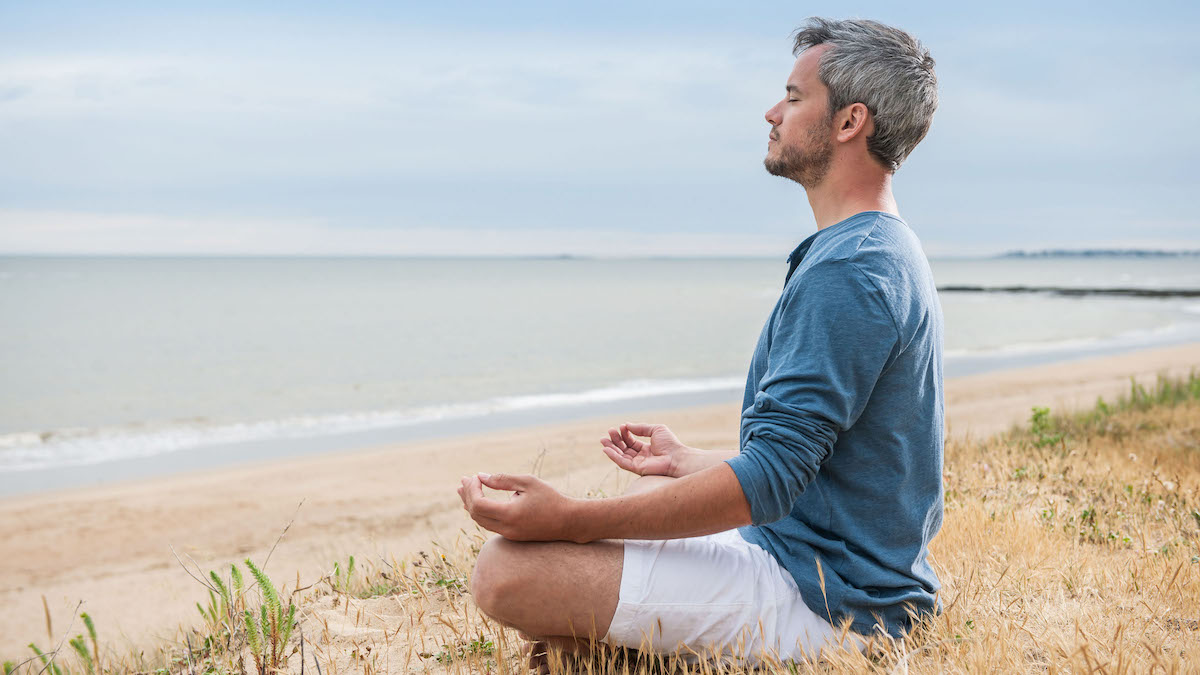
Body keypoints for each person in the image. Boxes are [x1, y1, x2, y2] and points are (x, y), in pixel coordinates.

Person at [457, 16, 943, 667]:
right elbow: (819, 460)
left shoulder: (851, 269)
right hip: (806, 556)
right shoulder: (876, 246)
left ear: (850, 122)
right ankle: (614, 652)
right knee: (636, 504)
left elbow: (771, 478)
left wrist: (569, 518)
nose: (773, 112)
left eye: (795, 98)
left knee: (506, 572)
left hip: (834, 605)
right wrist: (688, 461)